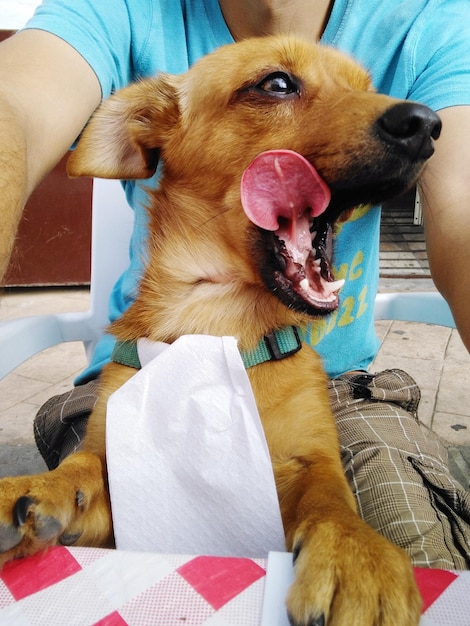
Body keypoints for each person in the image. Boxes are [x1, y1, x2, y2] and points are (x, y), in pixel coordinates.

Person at [1, 0, 470, 568]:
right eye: (276, 85)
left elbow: (464, 205)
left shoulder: (431, 20)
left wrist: (329, 515)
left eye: (359, 92)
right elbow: (13, 107)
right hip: (142, 366)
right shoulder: (117, 9)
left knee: (409, 555)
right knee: (67, 542)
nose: (379, 113)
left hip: (342, 389)